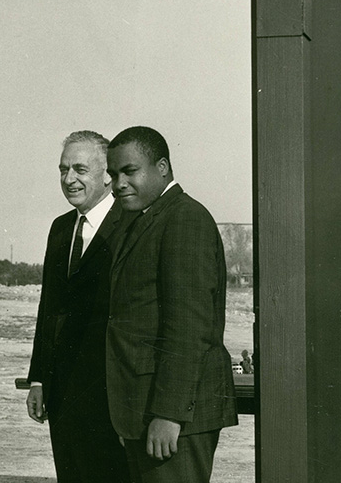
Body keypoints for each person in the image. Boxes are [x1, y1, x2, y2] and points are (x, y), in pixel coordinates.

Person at [105, 126, 238, 483]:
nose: (118, 184)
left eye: (129, 171)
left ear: (162, 167)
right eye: (113, 174)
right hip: (145, 411)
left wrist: (169, 414)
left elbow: (189, 328)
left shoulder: (184, 219)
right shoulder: (146, 219)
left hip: (174, 417)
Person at [26, 130, 132, 483]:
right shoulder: (61, 229)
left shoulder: (131, 223)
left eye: (80, 170)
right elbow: (49, 308)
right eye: (63, 169)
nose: (69, 179)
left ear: (107, 175)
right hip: (63, 393)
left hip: (112, 394)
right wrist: (39, 379)